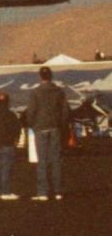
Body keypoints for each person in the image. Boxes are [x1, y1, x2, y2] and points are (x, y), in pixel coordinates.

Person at [23, 66, 70, 201]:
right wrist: (60, 125)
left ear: (40, 76)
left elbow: (31, 111)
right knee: (56, 160)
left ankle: (42, 192)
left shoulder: (36, 92)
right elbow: (65, 111)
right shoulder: (59, 92)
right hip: (55, 128)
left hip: (40, 128)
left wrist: (32, 124)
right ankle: (58, 191)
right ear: (51, 76)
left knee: (42, 161)